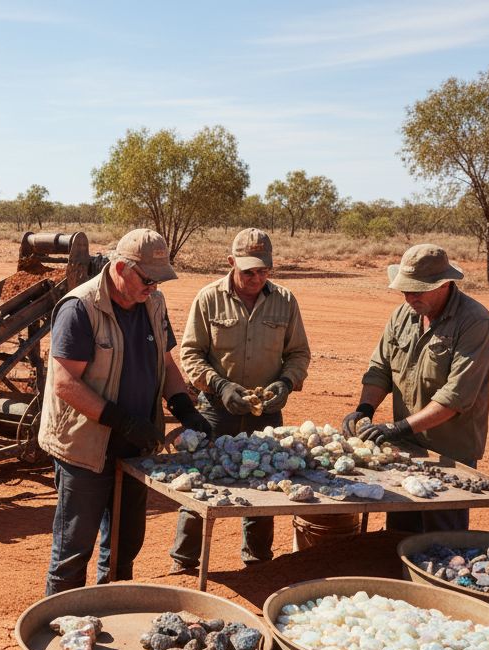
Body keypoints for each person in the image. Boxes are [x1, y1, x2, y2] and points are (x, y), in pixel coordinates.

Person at [38, 228, 213, 595]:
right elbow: (64, 383)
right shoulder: (80, 308)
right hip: (85, 449)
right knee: (73, 549)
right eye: (148, 279)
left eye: (159, 280)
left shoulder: (153, 302)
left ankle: (111, 611)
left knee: (123, 544)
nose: (154, 287)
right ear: (120, 267)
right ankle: (60, 627)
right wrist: (120, 420)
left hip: (135, 447)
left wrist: (184, 408)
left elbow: (165, 363)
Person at [170, 228, 311, 569]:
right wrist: (219, 385)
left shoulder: (285, 301)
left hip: (265, 415)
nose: (257, 278)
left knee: (264, 486)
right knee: (202, 484)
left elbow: (298, 354)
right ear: (231, 263)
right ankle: (184, 562)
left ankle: (259, 564)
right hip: (217, 412)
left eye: (264, 270)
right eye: (249, 271)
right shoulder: (208, 298)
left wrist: (286, 384)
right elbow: (190, 354)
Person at [341, 243, 489, 532]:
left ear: (444, 285)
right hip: (406, 447)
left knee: (443, 533)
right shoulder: (402, 315)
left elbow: (456, 396)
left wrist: (398, 428)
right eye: (405, 289)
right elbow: (380, 370)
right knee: (400, 527)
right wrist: (364, 409)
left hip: (449, 451)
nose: (409, 296)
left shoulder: (475, 322)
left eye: (417, 290)